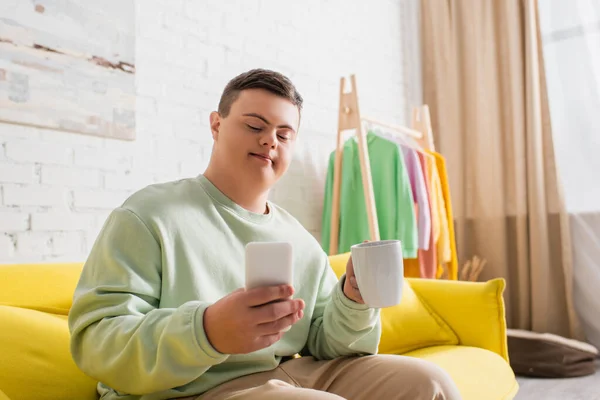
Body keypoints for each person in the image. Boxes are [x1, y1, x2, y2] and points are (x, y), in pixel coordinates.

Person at [68, 68, 462, 400]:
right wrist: (206, 331)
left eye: (284, 134)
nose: (270, 139)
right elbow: (97, 341)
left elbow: (327, 344)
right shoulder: (149, 214)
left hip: (287, 375)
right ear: (216, 125)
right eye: (255, 125)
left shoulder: (298, 237)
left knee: (431, 384)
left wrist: (353, 301)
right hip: (189, 390)